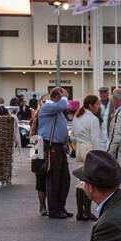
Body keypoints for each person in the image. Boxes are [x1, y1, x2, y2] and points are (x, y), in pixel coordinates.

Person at [37, 87, 72, 218]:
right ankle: (54, 210)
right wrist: (64, 96)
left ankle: (60, 207)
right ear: (58, 95)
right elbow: (63, 105)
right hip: (50, 146)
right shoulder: (48, 107)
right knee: (53, 179)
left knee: (64, 178)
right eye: (63, 95)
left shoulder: (55, 109)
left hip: (59, 147)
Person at [69, 95, 103, 221]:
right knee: (88, 181)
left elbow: (72, 135)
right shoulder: (93, 119)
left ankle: (79, 212)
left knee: (80, 180)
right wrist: (99, 155)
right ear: (90, 105)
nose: (99, 107)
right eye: (97, 104)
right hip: (89, 147)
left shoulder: (77, 116)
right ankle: (87, 212)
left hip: (79, 147)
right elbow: (95, 139)